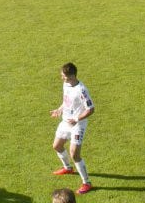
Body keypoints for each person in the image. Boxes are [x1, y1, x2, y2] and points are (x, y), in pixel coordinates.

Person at [50, 62, 94, 196]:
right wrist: (59, 109)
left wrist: (77, 119)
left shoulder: (81, 90)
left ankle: (87, 183)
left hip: (77, 125)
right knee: (57, 146)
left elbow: (91, 109)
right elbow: (66, 100)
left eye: (64, 76)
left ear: (72, 76)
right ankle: (68, 168)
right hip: (66, 121)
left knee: (74, 154)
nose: (62, 78)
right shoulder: (66, 84)